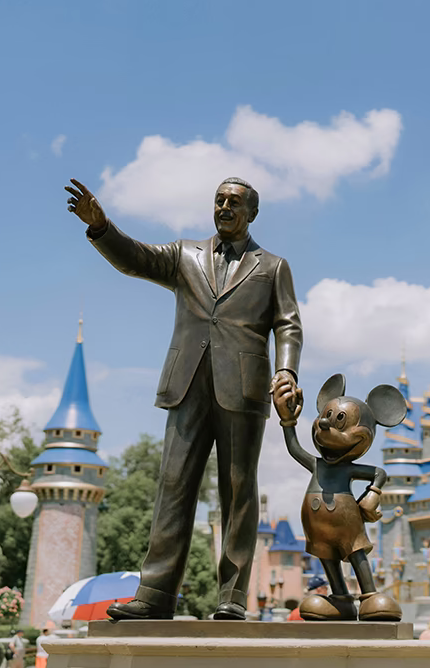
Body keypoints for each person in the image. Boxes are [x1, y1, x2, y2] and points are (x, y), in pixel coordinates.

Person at [68, 177, 303, 622]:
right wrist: (102, 228)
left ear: (251, 213)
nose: (224, 207)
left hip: (244, 389)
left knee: (238, 493)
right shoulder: (184, 255)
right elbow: (136, 259)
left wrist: (286, 370)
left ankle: (232, 596)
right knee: (173, 487)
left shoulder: (272, 266)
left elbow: (288, 324)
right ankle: (155, 593)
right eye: (219, 200)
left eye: (234, 202)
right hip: (186, 384)